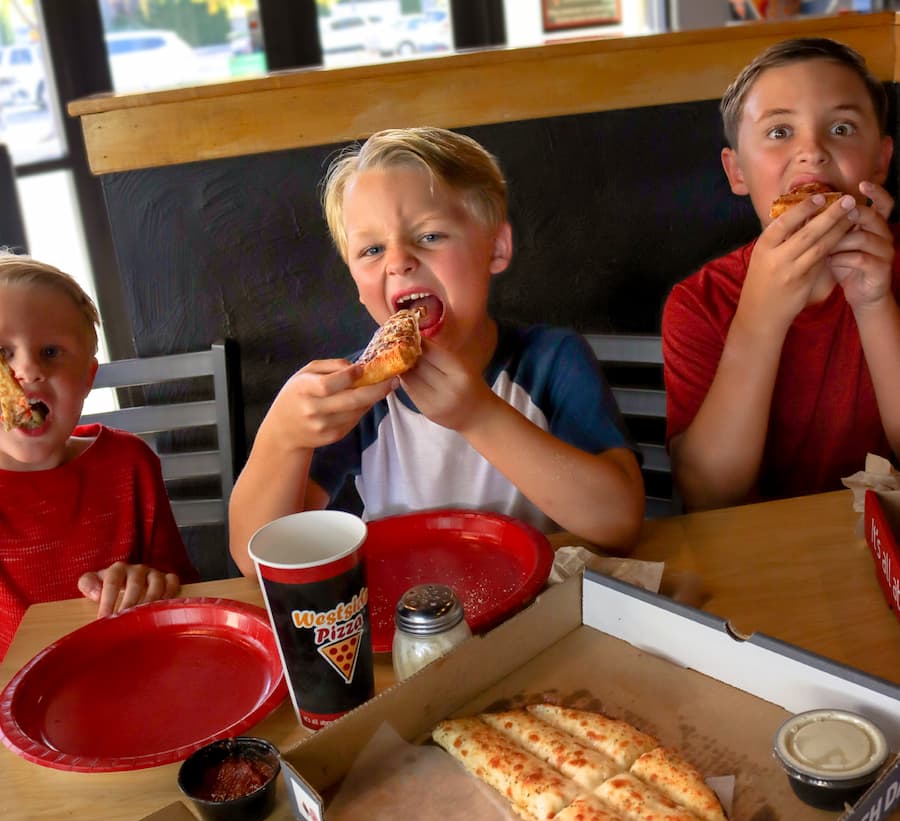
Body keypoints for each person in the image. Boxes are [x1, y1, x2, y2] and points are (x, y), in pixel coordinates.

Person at [229, 126, 644, 574]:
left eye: (429, 236)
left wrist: (478, 415)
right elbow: (258, 560)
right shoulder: (358, 392)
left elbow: (618, 522)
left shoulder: (551, 360)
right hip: (404, 614)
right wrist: (283, 438)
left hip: (536, 608)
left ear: (496, 248)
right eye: (371, 249)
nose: (398, 260)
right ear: (355, 282)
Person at [662, 37, 900, 511]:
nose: (812, 151)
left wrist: (874, 305)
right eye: (778, 132)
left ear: (881, 160)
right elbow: (708, 495)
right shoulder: (700, 302)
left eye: (841, 126)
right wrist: (759, 318)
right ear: (737, 173)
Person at [0, 251, 198, 659]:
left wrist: (150, 583)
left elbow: (184, 590)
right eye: (3, 354)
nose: (27, 372)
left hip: (127, 670)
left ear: (88, 378)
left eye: (51, 352)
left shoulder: (130, 465)